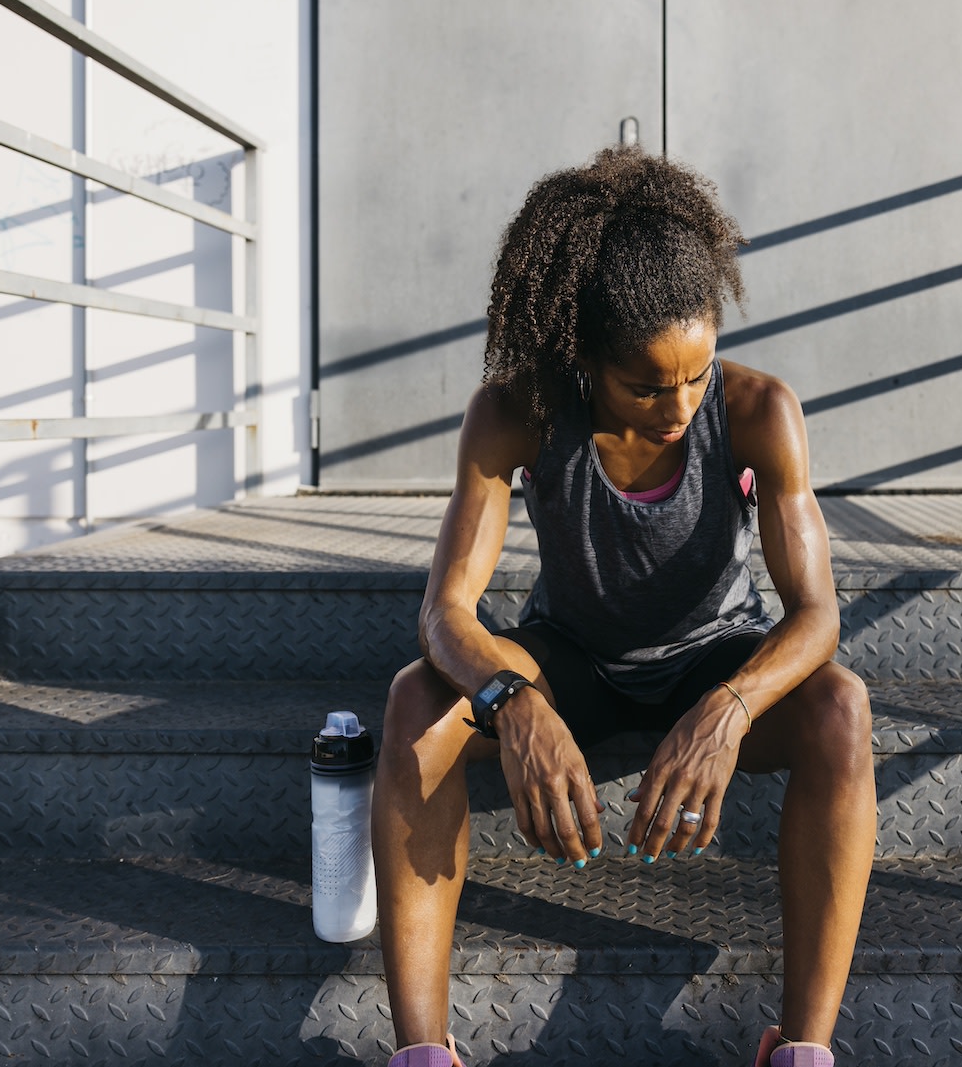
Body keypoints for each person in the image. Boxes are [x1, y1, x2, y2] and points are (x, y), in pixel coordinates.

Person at [373, 145, 875, 1067]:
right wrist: (512, 706)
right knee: (415, 701)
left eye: (696, 371)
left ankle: (801, 1049)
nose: (680, 403)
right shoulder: (515, 412)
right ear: (582, 356)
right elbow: (447, 614)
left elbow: (817, 615)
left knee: (842, 705)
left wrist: (728, 710)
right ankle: (422, 1054)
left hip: (711, 657)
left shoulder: (762, 410)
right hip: (573, 659)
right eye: (647, 384)